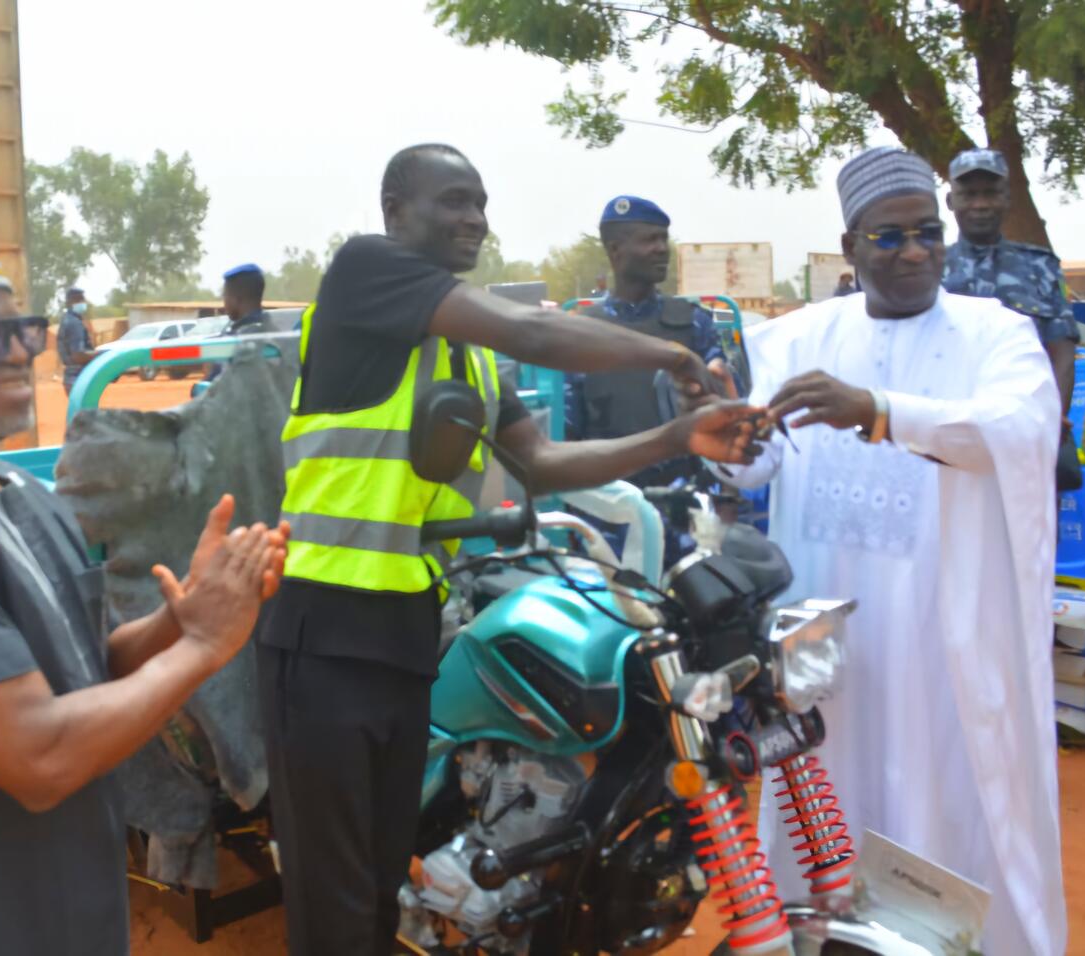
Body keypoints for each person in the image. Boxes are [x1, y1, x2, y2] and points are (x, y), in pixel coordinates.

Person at [261, 144, 760, 955]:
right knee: (335, 905)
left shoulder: (470, 353)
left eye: (482, 204)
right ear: (395, 210)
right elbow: (533, 328)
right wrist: (671, 352)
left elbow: (541, 462)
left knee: (380, 882)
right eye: (454, 200)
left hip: (405, 629)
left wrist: (674, 436)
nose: (475, 219)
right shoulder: (363, 271)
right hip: (324, 630)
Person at [0, 213, 287, 955]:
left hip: (68, 907)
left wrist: (181, 618)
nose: (19, 353)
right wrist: (201, 648)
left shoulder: (25, 498)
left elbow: (85, 670)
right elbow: (39, 755)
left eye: (23, 329)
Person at [710, 146, 1066, 955]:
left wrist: (879, 409)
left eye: (927, 233)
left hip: (948, 635)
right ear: (851, 247)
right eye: (890, 237)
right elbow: (755, 461)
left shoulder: (996, 333)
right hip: (830, 642)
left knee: (954, 792)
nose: (914, 252)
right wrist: (719, 427)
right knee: (824, 791)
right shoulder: (798, 337)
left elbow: (1017, 430)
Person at [564, 195, 729, 488]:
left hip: (685, 497)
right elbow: (568, 431)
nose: (662, 249)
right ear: (615, 250)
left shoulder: (694, 323)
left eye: (664, 239)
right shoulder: (580, 333)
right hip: (610, 499)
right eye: (650, 240)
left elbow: (727, 413)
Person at [943, 147, 1083, 489]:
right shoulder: (929, 269)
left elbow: (1062, 353)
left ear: (1007, 199)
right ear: (950, 201)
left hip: (1025, 437)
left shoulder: (1040, 266)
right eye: (969, 194)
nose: (980, 204)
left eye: (990, 193)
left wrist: (1050, 418)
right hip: (947, 437)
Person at [56, 286, 94, 395]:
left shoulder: (66, 319)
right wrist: (100, 354)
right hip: (79, 379)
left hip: (71, 378)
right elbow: (78, 355)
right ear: (71, 302)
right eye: (79, 299)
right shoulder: (74, 323)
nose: (83, 302)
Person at [223, 262, 272, 334]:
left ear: (236, 299)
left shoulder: (241, 336)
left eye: (225, 296)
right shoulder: (272, 329)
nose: (224, 302)